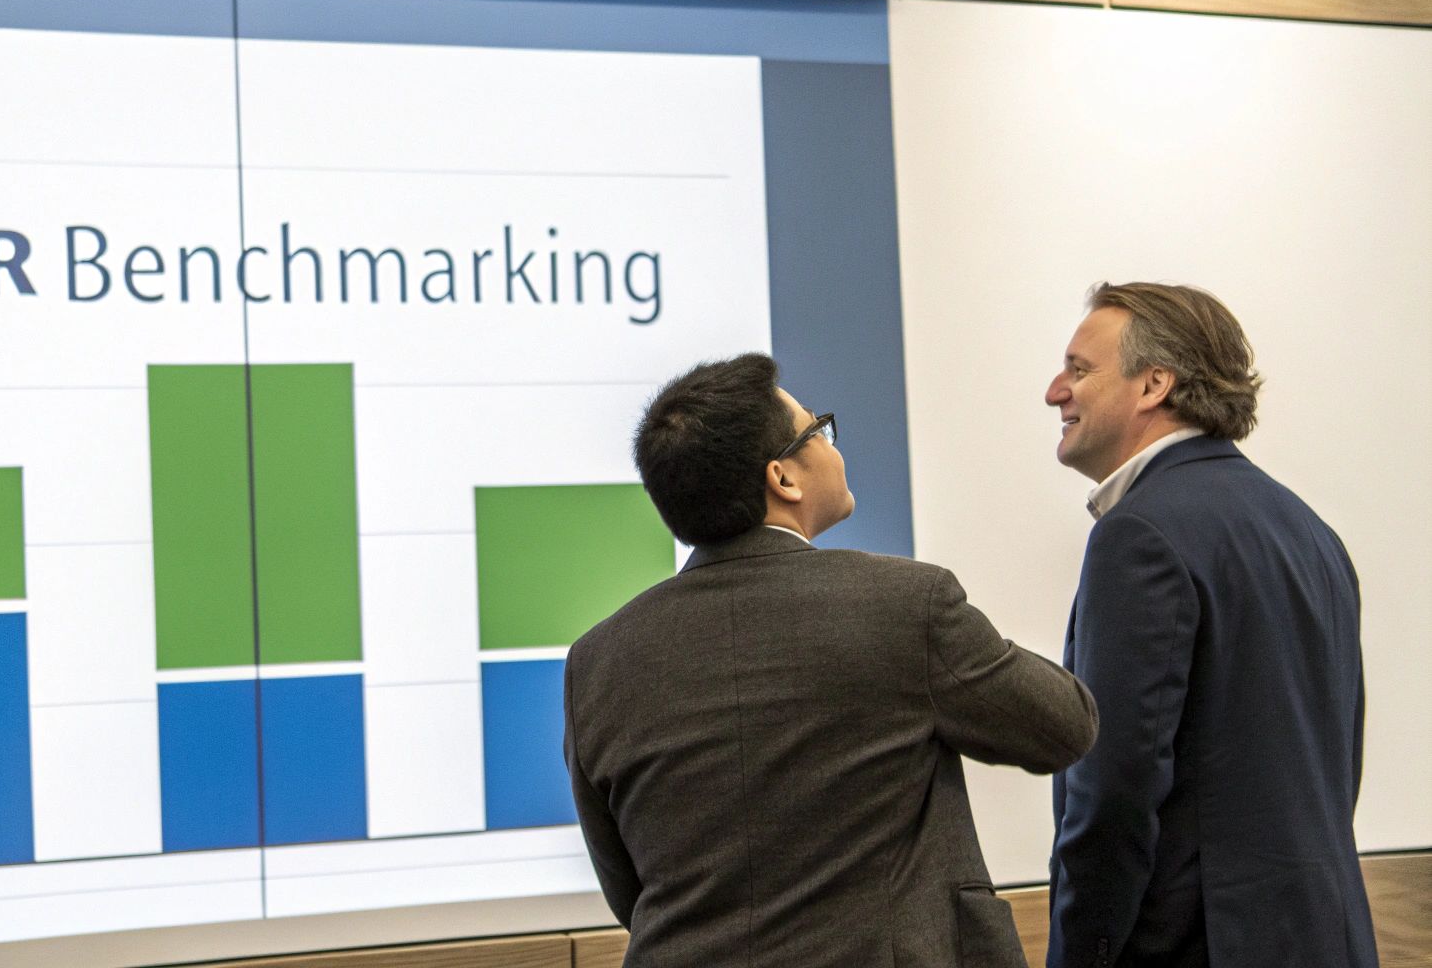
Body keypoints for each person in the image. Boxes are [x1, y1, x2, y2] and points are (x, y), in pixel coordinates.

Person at [564, 353, 1097, 968]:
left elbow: (628, 892)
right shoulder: (904, 605)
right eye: (818, 430)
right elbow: (1065, 726)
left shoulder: (595, 662)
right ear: (783, 479)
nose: (832, 445)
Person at [1043, 282, 1377, 968]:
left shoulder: (1138, 534)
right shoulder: (1312, 532)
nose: (1055, 392)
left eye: (1079, 369)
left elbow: (1113, 793)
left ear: (1153, 384)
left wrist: (1083, 953)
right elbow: (1332, 769)